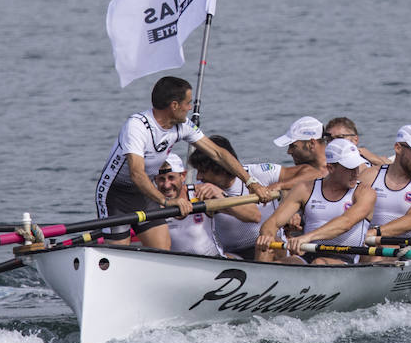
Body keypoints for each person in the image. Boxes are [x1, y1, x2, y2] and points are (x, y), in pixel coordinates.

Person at [95, 76, 269, 250]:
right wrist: (166, 201)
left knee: (162, 251)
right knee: (118, 254)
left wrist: (251, 182)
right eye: (188, 102)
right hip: (115, 195)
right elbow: (136, 173)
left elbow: (218, 153)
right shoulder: (136, 127)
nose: (190, 108)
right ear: (174, 105)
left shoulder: (183, 125)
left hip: (145, 194)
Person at [255, 140, 376, 265]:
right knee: (267, 245)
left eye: (356, 167)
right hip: (309, 255)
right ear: (331, 168)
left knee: (319, 262)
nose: (356, 173)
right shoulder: (305, 189)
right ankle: (259, 280)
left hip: (346, 258)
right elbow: (272, 223)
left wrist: (308, 237)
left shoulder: (365, 192)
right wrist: (267, 235)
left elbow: (346, 223)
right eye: (349, 168)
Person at [187, 134, 294, 259]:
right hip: (234, 254)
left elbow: (307, 174)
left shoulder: (259, 173)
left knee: (266, 244)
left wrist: (289, 206)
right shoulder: (202, 189)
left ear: (220, 169)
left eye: (203, 171)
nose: (198, 177)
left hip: (272, 245)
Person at [154, 154, 225, 257]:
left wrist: (221, 196)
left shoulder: (200, 193)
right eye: (161, 179)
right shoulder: (152, 204)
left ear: (183, 176)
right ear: (155, 180)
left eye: (171, 177)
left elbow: (251, 216)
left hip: (213, 261)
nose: (166, 185)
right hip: (178, 267)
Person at [324, 116, 390, 167]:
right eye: (329, 139)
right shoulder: (323, 165)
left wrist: (378, 162)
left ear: (355, 140)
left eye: (340, 137)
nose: (334, 142)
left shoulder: (376, 161)